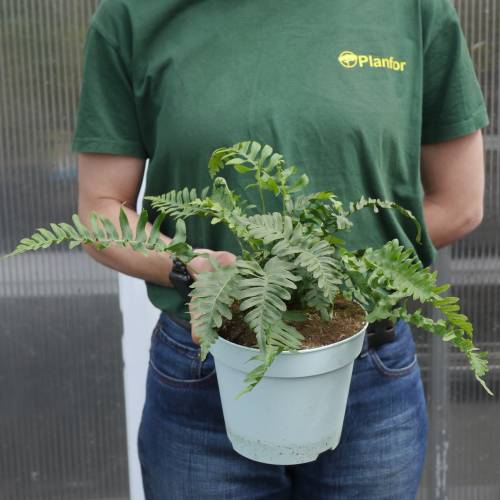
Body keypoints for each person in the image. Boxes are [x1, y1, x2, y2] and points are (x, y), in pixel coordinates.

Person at [72, 0, 488, 498]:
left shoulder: (412, 10)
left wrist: (335, 271)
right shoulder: (133, 15)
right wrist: (195, 268)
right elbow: (100, 211)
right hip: (207, 367)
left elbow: (460, 203)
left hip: (367, 371)